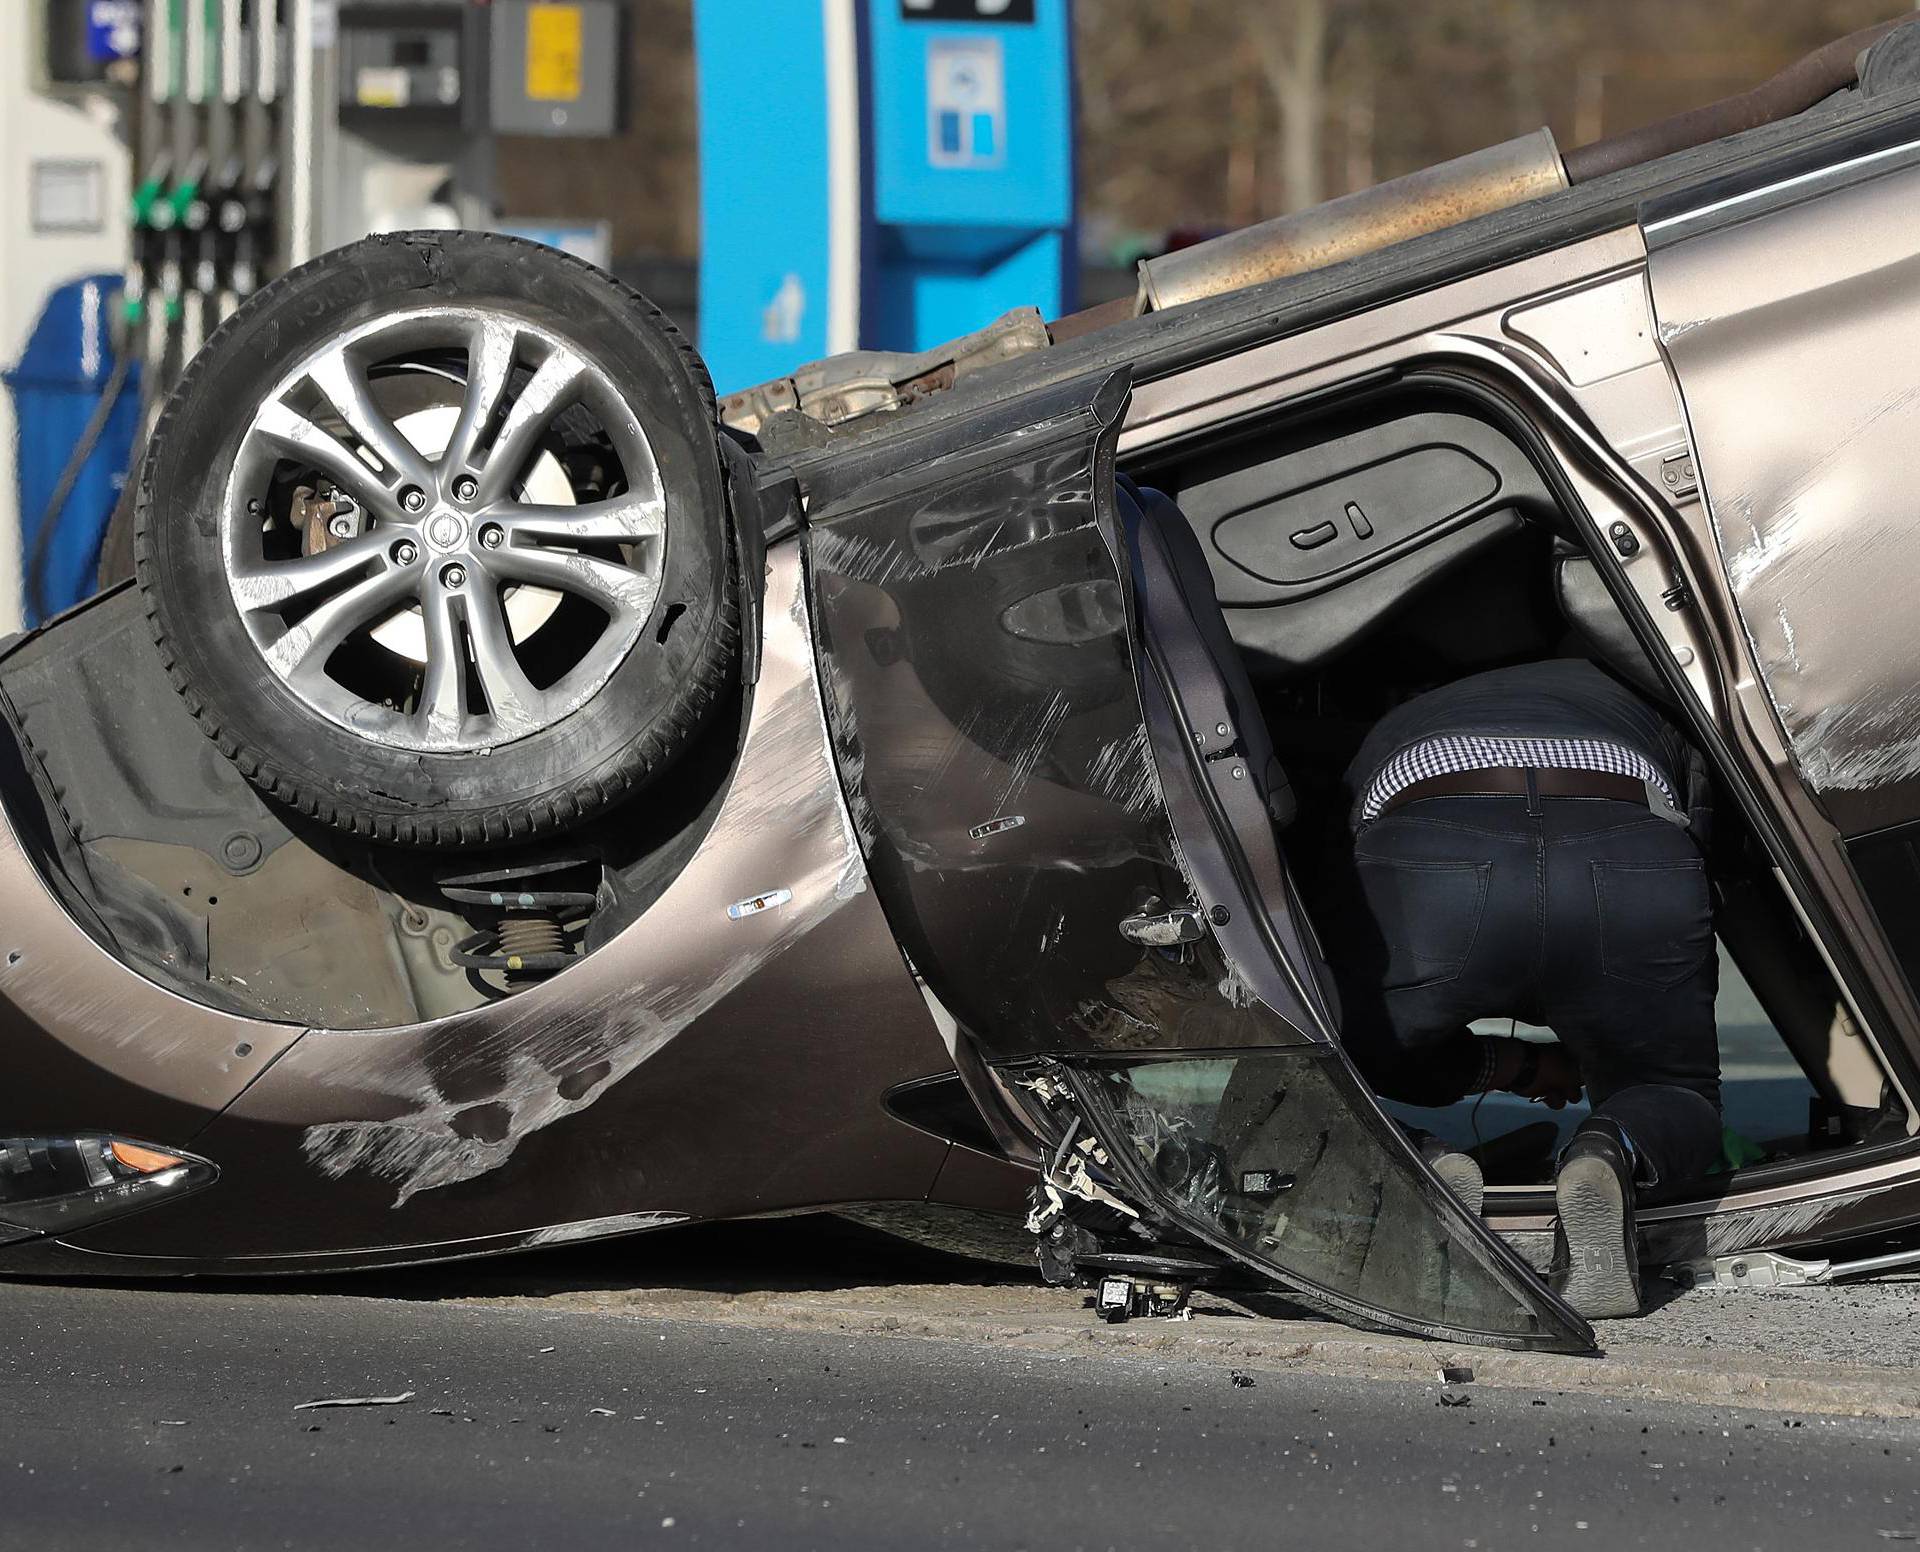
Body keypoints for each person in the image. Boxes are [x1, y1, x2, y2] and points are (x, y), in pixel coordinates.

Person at [1337, 657, 1721, 1319]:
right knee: (1673, 1094)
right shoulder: (1645, 680)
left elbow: (1323, 888)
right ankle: (1610, 1149)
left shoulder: (1402, 718)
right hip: (1627, 853)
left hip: (1434, 850)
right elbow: (1712, 833)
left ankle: (1422, 1165)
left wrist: (1515, 1067)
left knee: (1339, 1054)